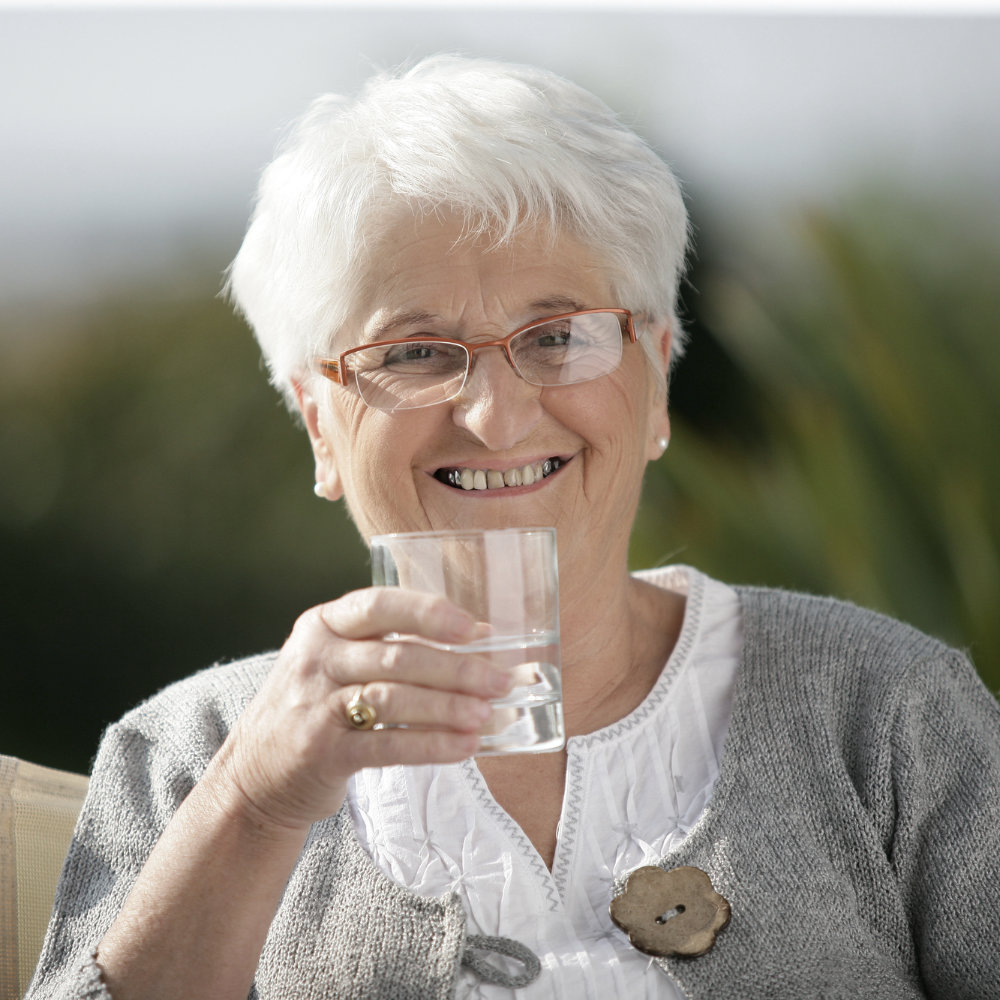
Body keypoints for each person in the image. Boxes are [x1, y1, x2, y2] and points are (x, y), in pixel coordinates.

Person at [27, 55, 1000, 1000]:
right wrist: (253, 801)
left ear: (654, 377)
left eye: (556, 337)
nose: (494, 416)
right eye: (413, 351)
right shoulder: (190, 755)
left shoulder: (885, 711)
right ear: (320, 423)